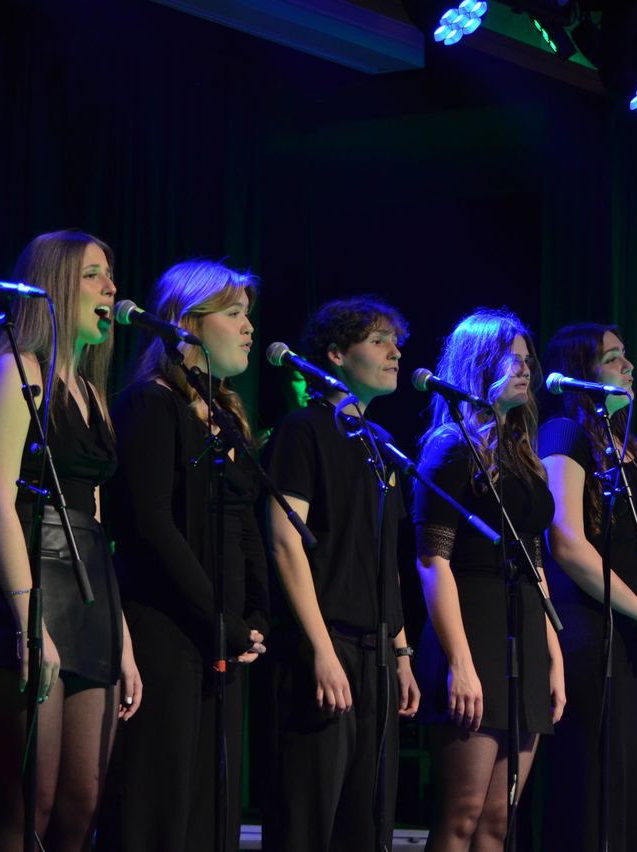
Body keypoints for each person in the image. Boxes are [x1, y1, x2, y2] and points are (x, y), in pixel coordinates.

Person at [0, 230, 141, 851]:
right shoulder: (16, 371)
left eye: (111, 274)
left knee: (81, 802)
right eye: (96, 275)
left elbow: (94, 520)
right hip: (32, 583)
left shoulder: (93, 395)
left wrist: (122, 639)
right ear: (59, 284)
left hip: (93, 596)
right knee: (30, 802)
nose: (111, 289)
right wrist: (27, 617)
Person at [108, 259, 269, 852]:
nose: (248, 327)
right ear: (187, 324)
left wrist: (256, 615)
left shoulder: (226, 416)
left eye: (247, 313)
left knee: (211, 813)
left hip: (221, 638)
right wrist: (218, 619)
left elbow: (245, 521)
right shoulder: (150, 405)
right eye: (234, 313)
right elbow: (149, 526)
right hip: (170, 631)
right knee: (161, 809)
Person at [262, 296, 420, 852]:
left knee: (366, 826)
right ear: (334, 354)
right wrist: (322, 649)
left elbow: (385, 563)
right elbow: (286, 542)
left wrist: (400, 652)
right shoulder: (302, 431)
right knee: (308, 823)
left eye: (394, 341)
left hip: (375, 655)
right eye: (378, 341)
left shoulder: (381, 449)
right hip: (322, 650)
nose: (395, 352)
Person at [412, 309, 565, 852]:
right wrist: (460, 664)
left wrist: (553, 653)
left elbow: (537, 563)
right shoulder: (451, 446)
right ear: (478, 365)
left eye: (527, 360)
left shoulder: (525, 457)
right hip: (471, 630)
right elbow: (434, 560)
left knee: (499, 821)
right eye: (511, 359)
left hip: (523, 631)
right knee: (463, 813)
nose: (524, 370)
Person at [539, 322, 637, 852]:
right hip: (593, 627)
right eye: (613, 358)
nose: (628, 367)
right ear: (581, 373)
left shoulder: (629, 447)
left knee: (632, 773)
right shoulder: (562, 434)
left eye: (626, 356)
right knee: (592, 776)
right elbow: (567, 543)